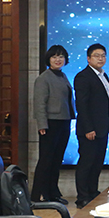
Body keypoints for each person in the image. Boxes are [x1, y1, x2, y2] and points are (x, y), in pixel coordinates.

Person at [73, 43, 109, 208]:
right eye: (96, 55)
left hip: (103, 128)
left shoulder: (103, 75)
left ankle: (92, 192)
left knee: (97, 162)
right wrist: (88, 128)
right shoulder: (83, 76)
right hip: (90, 130)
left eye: (103, 55)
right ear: (88, 58)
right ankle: (82, 197)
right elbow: (81, 105)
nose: (100, 58)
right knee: (86, 163)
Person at [31, 44, 75, 204]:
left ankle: (52, 193)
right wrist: (42, 124)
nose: (58, 60)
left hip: (64, 121)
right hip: (50, 123)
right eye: (54, 57)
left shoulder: (62, 76)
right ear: (48, 59)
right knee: (46, 160)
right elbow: (39, 103)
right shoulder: (44, 78)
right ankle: (37, 196)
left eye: (61, 56)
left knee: (57, 160)